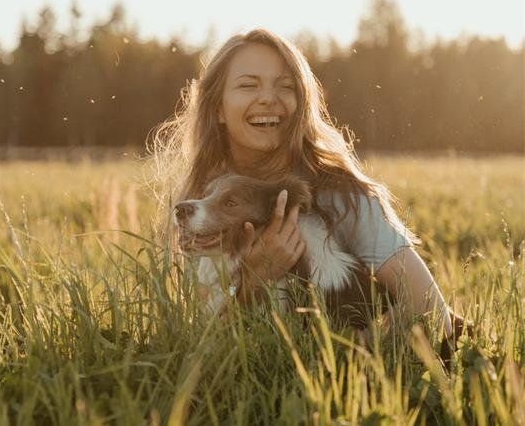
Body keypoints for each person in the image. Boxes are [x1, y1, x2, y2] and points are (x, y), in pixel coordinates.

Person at [151, 28, 460, 342]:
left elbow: (432, 312)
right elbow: (204, 342)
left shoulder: (344, 196)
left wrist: (354, 353)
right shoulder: (198, 205)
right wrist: (254, 279)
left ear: (302, 102)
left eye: (286, 86)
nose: (268, 99)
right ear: (217, 107)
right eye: (248, 85)